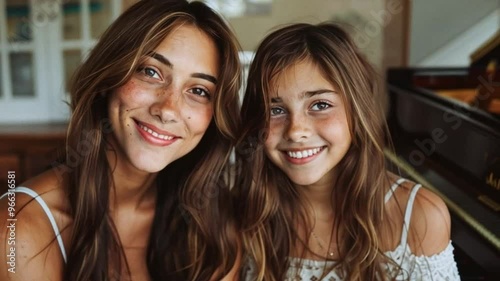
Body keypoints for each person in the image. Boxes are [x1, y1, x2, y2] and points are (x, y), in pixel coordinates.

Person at [0, 0, 242, 280]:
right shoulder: (18, 232)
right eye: (151, 72)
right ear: (108, 77)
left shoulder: (209, 222)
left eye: (199, 90)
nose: (168, 110)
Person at [235, 22, 460, 280]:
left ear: (356, 110)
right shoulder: (244, 211)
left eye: (319, 104)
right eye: (275, 110)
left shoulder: (420, 216)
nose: (296, 131)